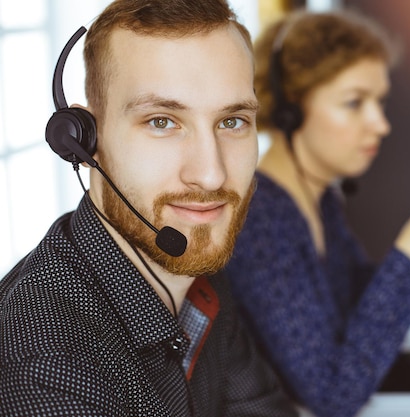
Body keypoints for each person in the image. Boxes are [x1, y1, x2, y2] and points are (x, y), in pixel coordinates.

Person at [0, 1, 298, 416]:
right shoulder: (47, 367)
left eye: (232, 121)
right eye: (162, 121)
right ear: (84, 141)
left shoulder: (196, 270)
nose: (211, 176)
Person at [224, 9, 410, 417]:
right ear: (292, 109)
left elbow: (355, 301)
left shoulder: (317, 195)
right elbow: (332, 395)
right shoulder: (260, 223)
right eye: (354, 102)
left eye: (379, 102)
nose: (380, 124)